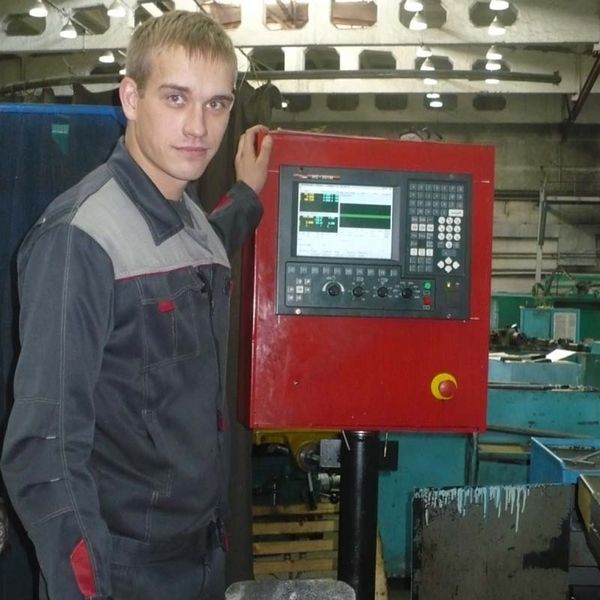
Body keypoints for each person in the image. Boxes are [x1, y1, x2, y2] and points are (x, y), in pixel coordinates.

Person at [1, 9, 272, 600]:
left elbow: (203, 250)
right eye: (176, 98)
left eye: (217, 104)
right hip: (123, 573)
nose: (198, 126)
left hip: (202, 557)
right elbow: (43, 453)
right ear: (130, 97)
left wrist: (247, 196)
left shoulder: (189, 221)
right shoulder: (79, 240)